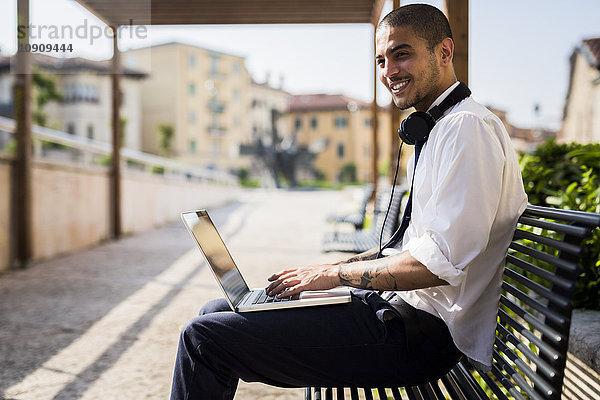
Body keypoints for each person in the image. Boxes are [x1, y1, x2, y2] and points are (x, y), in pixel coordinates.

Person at [169, 4, 527, 399]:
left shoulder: (466, 129)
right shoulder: (438, 129)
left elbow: (438, 263)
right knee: (217, 312)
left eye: (402, 53)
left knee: (202, 339)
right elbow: (410, 247)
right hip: (397, 313)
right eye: (381, 59)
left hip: (420, 336)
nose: (389, 70)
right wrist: (330, 268)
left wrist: (335, 278)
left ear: (444, 52)